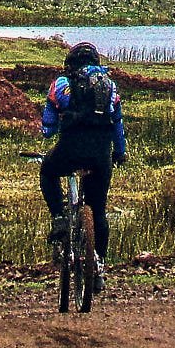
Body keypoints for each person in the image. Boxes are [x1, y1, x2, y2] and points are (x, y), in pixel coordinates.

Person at [40, 40, 126, 291]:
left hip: (70, 150)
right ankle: (98, 265)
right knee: (98, 210)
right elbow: (118, 126)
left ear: (70, 63)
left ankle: (58, 217)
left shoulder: (61, 85)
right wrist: (120, 153)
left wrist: (51, 128)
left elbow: (48, 128)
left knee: (48, 171)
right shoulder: (110, 86)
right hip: (100, 156)